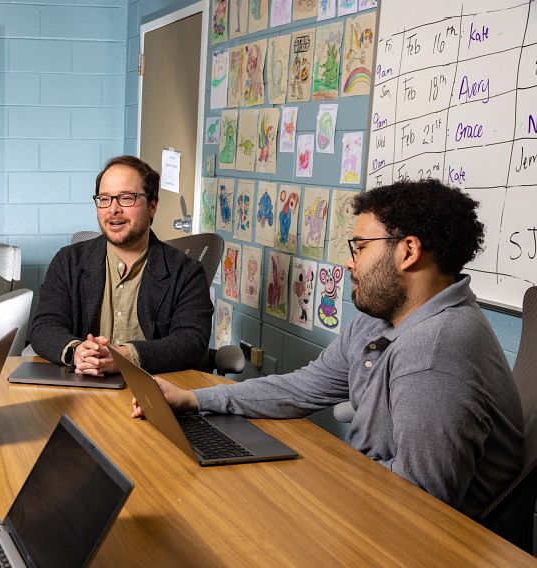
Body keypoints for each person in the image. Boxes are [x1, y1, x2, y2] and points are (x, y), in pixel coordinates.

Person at [134, 179, 523, 518]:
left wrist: (315, 479)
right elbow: (300, 387)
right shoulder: (380, 320)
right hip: (372, 502)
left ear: (408, 251)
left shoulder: (435, 352)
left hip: (425, 554)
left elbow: (421, 501)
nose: (349, 263)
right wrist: (194, 399)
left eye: (361, 247)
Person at [29, 155, 213, 376]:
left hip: (155, 389)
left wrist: (125, 356)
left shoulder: (186, 272)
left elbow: (191, 342)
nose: (113, 209)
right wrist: (78, 352)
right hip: (84, 387)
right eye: (104, 199)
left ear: (152, 206)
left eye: (126, 198)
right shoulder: (68, 261)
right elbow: (44, 327)